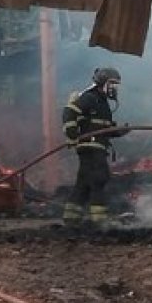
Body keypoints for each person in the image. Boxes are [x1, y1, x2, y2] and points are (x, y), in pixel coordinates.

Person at [61, 67, 128, 227]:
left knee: (83, 182)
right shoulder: (90, 98)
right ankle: (99, 220)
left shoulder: (102, 103)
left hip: (96, 146)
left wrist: (120, 131)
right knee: (100, 177)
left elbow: (103, 129)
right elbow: (69, 111)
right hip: (91, 147)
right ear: (103, 82)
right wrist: (71, 134)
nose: (115, 88)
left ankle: (71, 218)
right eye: (112, 83)